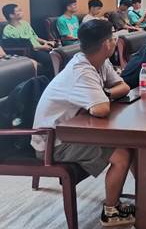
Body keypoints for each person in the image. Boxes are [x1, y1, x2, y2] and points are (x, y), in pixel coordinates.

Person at [31, 19, 135, 226]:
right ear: (106, 44)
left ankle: (140, 195)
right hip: (54, 142)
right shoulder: (81, 70)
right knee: (122, 155)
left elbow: (123, 86)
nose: (115, 40)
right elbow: (101, 109)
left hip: (72, 131)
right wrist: (102, 98)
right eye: (113, 37)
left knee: (131, 144)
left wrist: (103, 94)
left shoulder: (99, 61)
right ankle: (111, 212)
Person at [2, 4, 55, 78]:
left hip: (39, 48)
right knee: (50, 59)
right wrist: (42, 47)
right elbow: (22, 46)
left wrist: (45, 42)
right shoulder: (8, 30)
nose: (22, 12)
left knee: (57, 54)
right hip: (30, 52)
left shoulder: (25, 23)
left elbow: (34, 37)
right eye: (19, 11)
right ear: (11, 15)